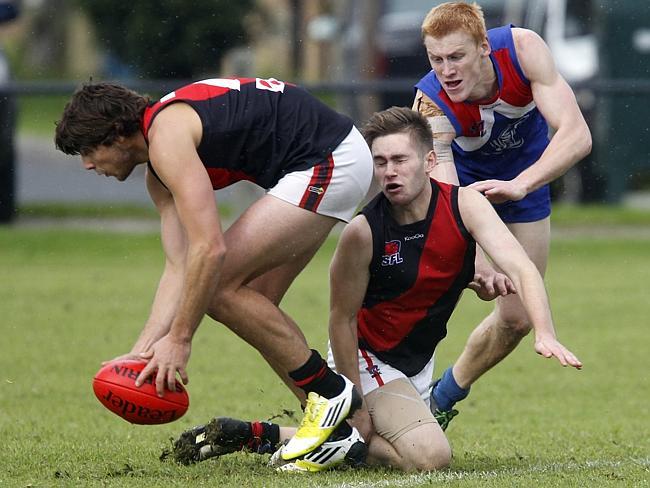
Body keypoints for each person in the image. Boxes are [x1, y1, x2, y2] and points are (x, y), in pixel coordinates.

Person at [169, 107, 582, 472]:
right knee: (429, 457)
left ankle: (267, 435)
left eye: (400, 159)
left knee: (381, 447)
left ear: (429, 161)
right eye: (380, 162)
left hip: (417, 363)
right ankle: (316, 432)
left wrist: (544, 331)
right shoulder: (364, 232)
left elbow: (522, 268)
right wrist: (354, 401)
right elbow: (341, 320)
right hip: (368, 360)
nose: (390, 171)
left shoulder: (465, 205)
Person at [54, 76, 374, 461]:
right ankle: (338, 428)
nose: (88, 164)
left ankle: (329, 393)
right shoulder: (159, 170)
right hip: (326, 157)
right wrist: (140, 352)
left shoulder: (166, 138)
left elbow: (209, 249)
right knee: (252, 303)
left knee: (219, 289)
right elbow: (179, 266)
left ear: (119, 133)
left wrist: (180, 339)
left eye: (89, 149)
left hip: (331, 157)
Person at [412, 2, 591, 420]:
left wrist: (521, 185)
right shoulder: (432, 104)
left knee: (517, 319)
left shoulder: (524, 49)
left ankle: (442, 398)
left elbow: (577, 135)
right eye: (436, 59)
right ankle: (388, 394)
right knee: (426, 296)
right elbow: (448, 194)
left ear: (483, 48)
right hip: (464, 192)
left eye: (456, 56)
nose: (446, 70)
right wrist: (472, 256)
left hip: (524, 180)